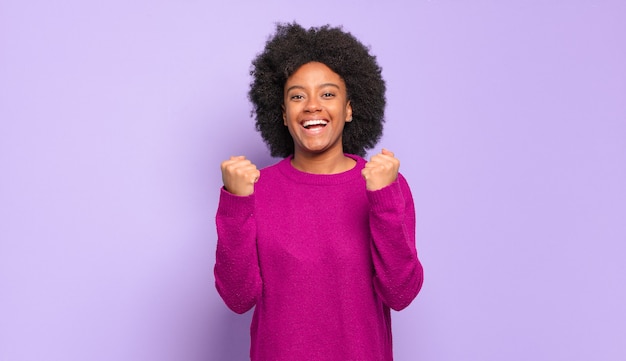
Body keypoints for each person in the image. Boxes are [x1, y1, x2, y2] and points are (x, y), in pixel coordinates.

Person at [214, 22, 424, 361]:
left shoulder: (386, 184)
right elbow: (238, 299)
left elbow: (400, 293)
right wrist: (236, 202)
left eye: (328, 94)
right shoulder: (254, 189)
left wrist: (384, 200)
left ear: (350, 108)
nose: (312, 106)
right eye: (298, 96)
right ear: (283, 114)